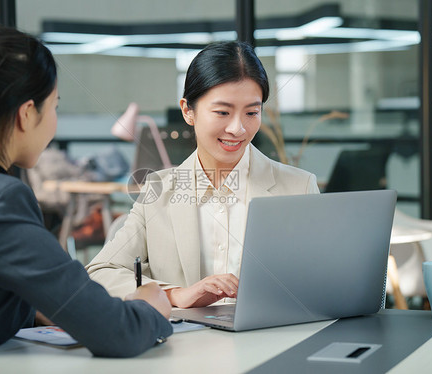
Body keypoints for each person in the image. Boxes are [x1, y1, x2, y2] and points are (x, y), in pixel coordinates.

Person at [0, 28, 172, 369]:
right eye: (54, 106)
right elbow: (117, 333)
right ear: (27, 113)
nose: (54, 122)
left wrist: (34, 309)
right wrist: (151, 306)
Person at [86, 41, 319, 309]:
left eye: (252, 112)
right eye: (222, 112)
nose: (238, 128)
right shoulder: (158, 190)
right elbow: (101, 271)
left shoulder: (299, 187)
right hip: (185, 347)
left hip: (272, 339)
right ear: (188, 111)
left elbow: (322, 280)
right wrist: (175, 295)